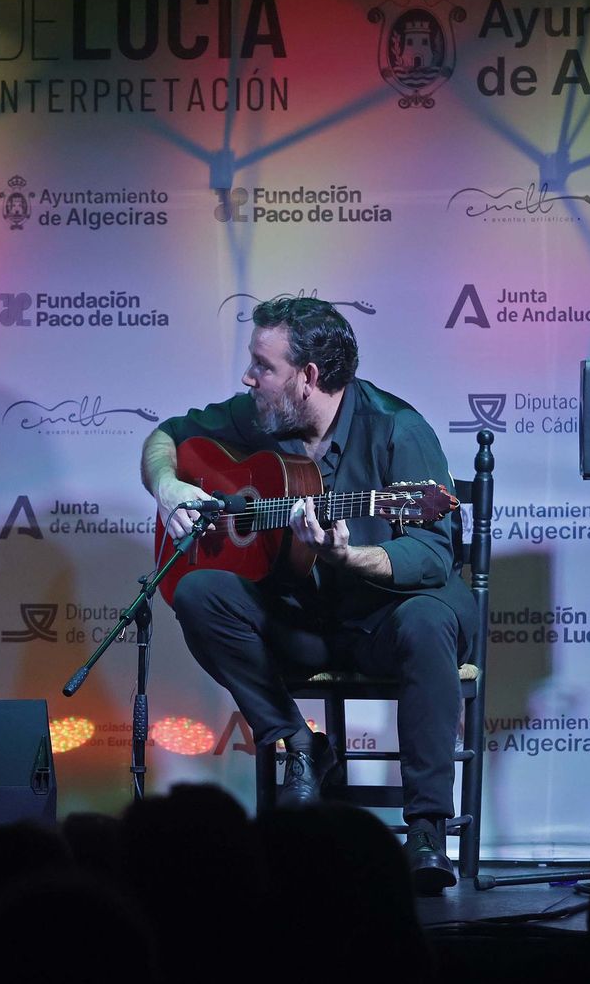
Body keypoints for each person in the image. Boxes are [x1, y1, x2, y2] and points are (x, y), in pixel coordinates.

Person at [140, 296, 475, 892]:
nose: (249, 378)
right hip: (306, 622)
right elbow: (169, 435)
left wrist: (348, 555)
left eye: (262, 367)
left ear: (307, 377)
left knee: (429, 619)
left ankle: (426, 829)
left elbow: (431, 555)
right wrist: (168, 485)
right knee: (197, 591)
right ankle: (296, 740)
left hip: (385, 620)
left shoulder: (398, 429)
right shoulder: (259, 417)